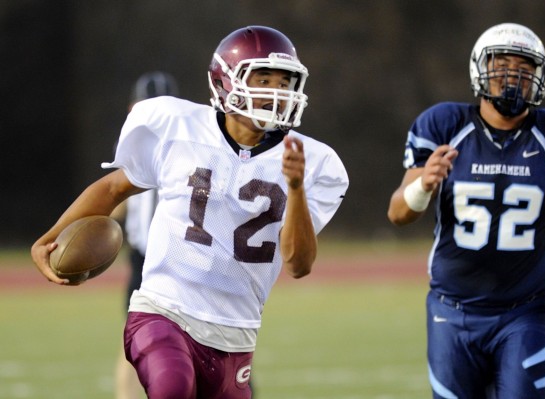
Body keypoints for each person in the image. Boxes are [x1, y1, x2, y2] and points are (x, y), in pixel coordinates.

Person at [32, 25, 349, 399]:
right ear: (225, 80)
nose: (275, 92)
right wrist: (51, 238)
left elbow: (298, 264)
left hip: (236, 333)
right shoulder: (178, 128)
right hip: (163, 311)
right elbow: (113, 188)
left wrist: (295, 189)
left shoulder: (314, 162)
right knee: (172, 388)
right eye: (263, 78)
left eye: (285, 82)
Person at [387, 22, 545, 399]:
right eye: (502, 64)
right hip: (452, 312)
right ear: (480, 70)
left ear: (538, 76)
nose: (513, 77)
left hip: (528, 312)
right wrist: (424, 184)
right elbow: (398, 213)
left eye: (524, 69)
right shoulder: (444, 125)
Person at [113, 71, 180, 399]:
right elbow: (116, 203)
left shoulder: (191, 146)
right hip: (144, 257)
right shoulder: (130, 148)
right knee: (134, 343)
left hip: (186, 254)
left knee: (209, 340)